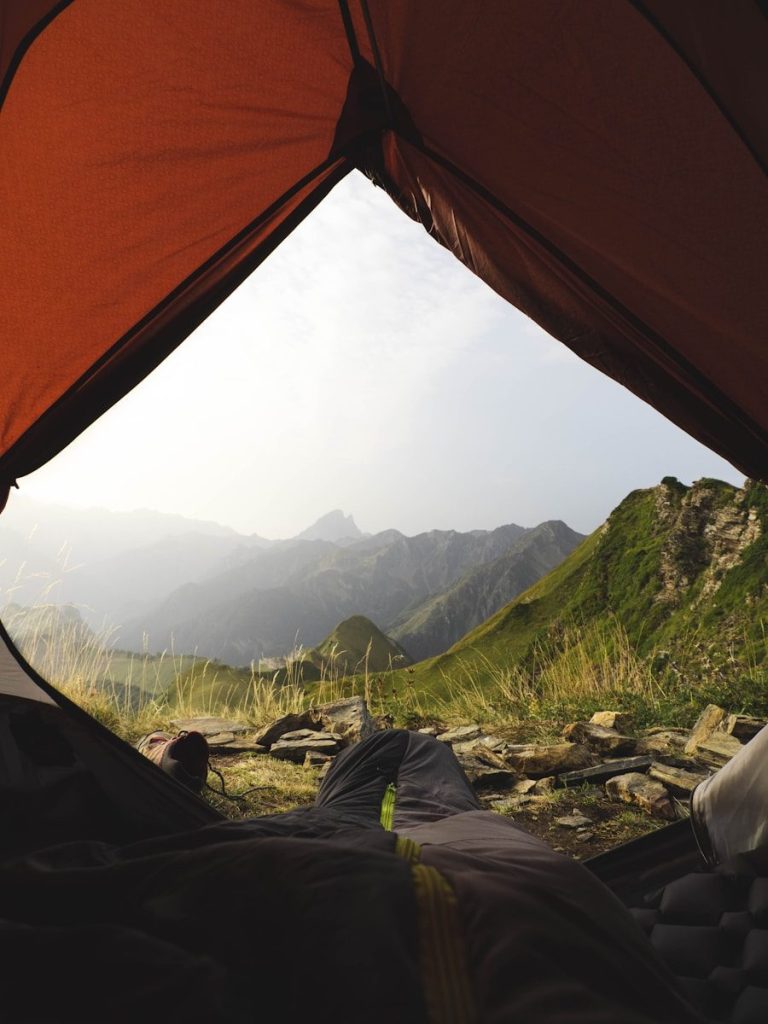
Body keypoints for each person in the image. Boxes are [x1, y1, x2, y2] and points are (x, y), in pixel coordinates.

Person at [0, 730, 702, 1022]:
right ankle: (176, 789)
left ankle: (167, 783)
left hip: (356, 869)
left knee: (90, 874)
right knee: (406, 749)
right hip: (473, 863)